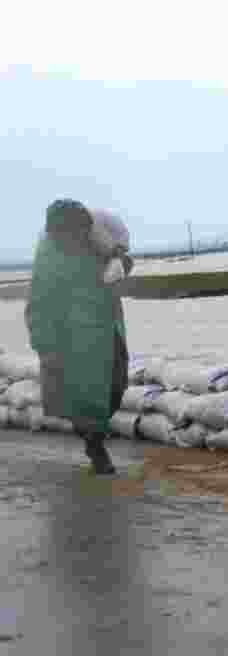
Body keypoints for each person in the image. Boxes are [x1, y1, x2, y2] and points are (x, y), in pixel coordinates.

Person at [25, 199, 132, 475]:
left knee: (118, 384)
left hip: (108, 324)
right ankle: (95, 446)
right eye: (73, 236)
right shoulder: (48, 256)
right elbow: (37, 303)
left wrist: (121, 264)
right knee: (85, 393)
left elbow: (124, 257)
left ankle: (93, 430)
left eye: (83, 234)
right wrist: (45, 346)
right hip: (72, 333)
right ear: (59, 235)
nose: (80, 239)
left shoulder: (99, 233)